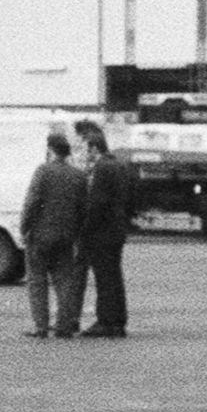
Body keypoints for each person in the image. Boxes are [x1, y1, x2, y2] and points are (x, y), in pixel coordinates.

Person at [18, 129, 87, 341]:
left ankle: (41, 327)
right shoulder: (78, 176)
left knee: (37, 281)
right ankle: (64, 326)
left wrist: (24, 227)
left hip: (39, 235)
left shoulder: (43, 172)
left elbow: (32, 202)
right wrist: (75, 234)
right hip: (65, 236)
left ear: (50, 150)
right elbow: (82, 210)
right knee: (64, 280)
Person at [73, 119, 138, 337]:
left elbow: (97, 204)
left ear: (94, 148)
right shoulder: (118, 164)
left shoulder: (102, 168)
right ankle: (117, 321)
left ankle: (106, 321)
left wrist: (85, 231)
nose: (85, 153)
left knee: (104, 278)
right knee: (114, 277)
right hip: (117, 229)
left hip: (103, 232)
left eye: (86, 148)